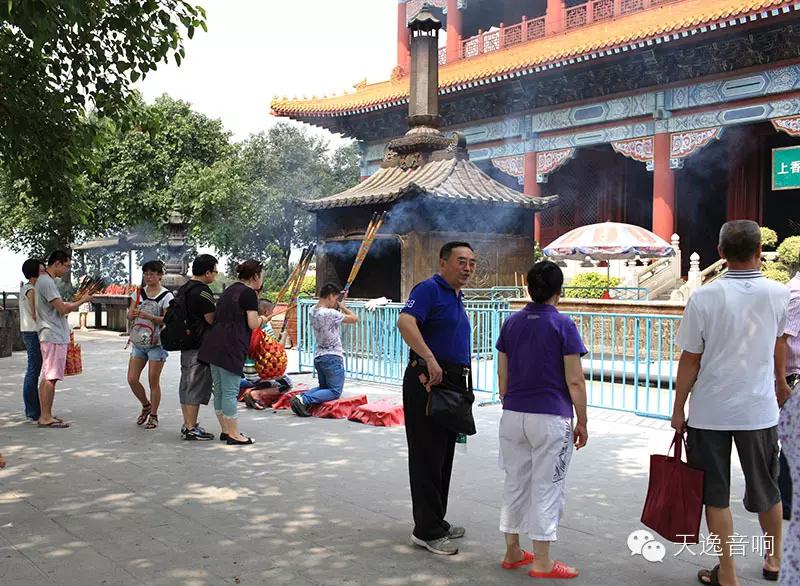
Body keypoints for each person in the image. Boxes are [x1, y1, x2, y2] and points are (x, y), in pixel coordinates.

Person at [671, 220, 790, 585]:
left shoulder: (704, 297)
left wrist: (678, 409)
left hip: (710, 412)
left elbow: (690, 359)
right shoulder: (778, 293)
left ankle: (728, 573)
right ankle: (774, 561)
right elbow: (780, 343)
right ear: (759, 251)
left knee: (715, 495)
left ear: (720, 253)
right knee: (767, 488)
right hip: (759, 410)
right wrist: (780, 383)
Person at [496, 261, 588, 579]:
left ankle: (512, 550)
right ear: (558, 291)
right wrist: (583, 420)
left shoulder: (511, 323)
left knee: (515, 481)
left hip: (513, 414)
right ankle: (542, 561)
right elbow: (575, 380)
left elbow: (503, 375)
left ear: (528, 288)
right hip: (550, 417)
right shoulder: (563, 325)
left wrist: (511, 403)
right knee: (548, 486)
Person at [396, 241, 476, 556]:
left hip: (451, 384)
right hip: (427, 382)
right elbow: (405, 321)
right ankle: (426, 531)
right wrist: (429, 357)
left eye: (471, 262)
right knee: (427, 455)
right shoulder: (429, 289)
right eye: (461, 261)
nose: (467, 268)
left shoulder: (456, 295)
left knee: (443, 455)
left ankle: (436, 520)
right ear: (443, 262)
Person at [198, 259, 268, 445]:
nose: (262, 280)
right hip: (231, 346)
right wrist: (262, 319)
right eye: (261, 276)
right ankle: (234, 434)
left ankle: (226, 430)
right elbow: (252, 323)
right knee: (230, 392)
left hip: (214, 345)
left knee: (220, 391)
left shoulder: (229, 290)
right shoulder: (249, 293)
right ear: (255, 276)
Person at [35, 250, 94, 428]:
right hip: (53, 334)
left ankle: (45, 414)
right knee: (51, 377)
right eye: (66, 266)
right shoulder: (47, 282)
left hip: (50, 333)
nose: (67, 270)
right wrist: (82, 301)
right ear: (57, 263)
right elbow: (62, 309)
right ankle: (45, 417)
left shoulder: (45, 281)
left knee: (47, 376)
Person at [290, 284, 357, 417]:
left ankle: (299, 398)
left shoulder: (312, 310)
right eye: (335, 299)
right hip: (332, 356)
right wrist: (343, 307)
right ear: (330, 296)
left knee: (324, 388)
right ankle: (304, 399)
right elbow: (354, 319)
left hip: (319, 356)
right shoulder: (330, 313)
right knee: (334, 391)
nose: (335, 303)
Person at [126, 260, 173, 430]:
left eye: (152, 274)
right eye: (146, 274)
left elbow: (168, 320)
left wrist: (150, 317)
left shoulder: (167, 296)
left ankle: (153, 415)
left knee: (153, 381)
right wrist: (131, 314)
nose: (148, 277)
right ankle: (146, 404)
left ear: (160, 275)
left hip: (157, 343)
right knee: (132, 379)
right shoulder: (138, 293)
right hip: (139, 341)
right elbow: (130, 315)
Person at [177, 254, 218, 441]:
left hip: (185, 343)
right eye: (214, 271)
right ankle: (191, 427)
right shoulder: (203, 291)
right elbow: (210, 319)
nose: (215, 275)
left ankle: (187, 423)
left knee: (186, 384)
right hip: (199, 344)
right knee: (195, 385)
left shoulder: (184, 288)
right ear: (207, 272)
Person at [778, 261, 800, 585]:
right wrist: (782, 382)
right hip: (795, 376)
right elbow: (782, 340)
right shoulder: (796, 294)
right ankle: (785, 499)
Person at [19, 258, 45, 421]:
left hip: (28, 331)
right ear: (34, 272)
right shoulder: (32, 290)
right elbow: (37, 314)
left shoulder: (25, 288)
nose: (44, 273)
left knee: (33, 370)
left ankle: (34, 409)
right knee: (33, 371)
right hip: (33, 332)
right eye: (41, 270)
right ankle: (34, 411)